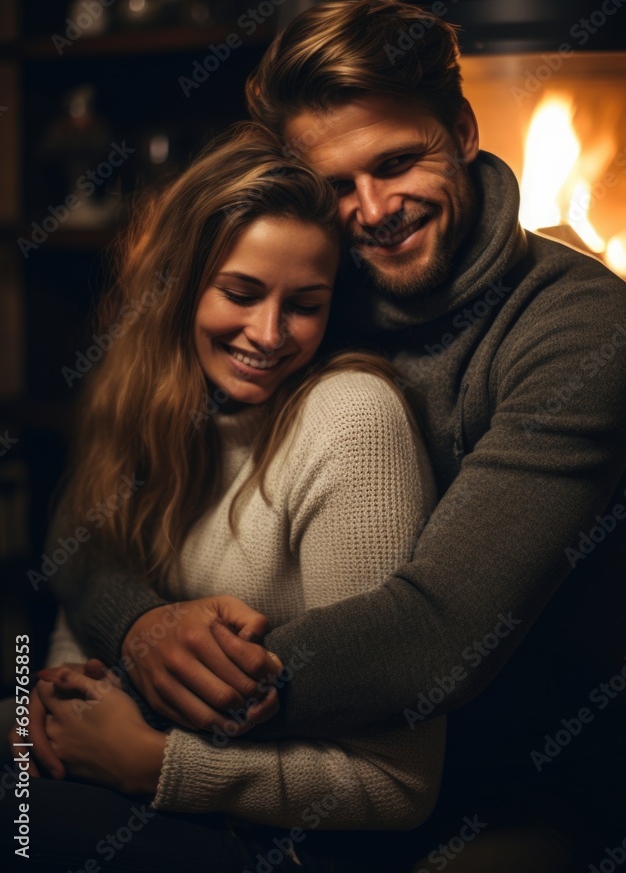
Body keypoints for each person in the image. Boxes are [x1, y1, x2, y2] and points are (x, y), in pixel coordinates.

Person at [23, 0, 626, 870]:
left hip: (515, 781)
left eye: (397, 162)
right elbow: (87, 512)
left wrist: (148, 701)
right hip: (289, 757)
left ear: (464, 130)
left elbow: (436, 638)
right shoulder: (317, 285)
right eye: (335, 185)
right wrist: (140, 628)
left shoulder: (574, 321)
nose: (373, 210)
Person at [3, 121, 443, 871]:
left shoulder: (350, 420)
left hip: (281, 842)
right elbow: (80, 626)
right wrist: (38, 707)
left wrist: (155, 763)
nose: (268, 335)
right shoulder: (144, 405)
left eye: (304, 304)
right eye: (240, 293)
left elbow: (397, 784)